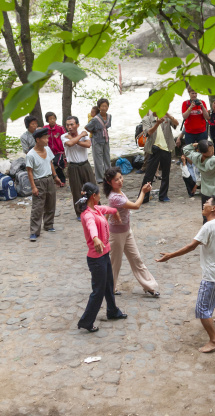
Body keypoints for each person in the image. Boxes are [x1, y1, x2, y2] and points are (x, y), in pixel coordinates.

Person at [156, 196, 215, 353]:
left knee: (202, 309)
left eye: (207, 203)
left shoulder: (208, 226)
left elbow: (191, 246)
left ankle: (214, 340)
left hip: (211, 274)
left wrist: (170, 255)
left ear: (213, 208)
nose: (204, 204)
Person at [76, 183, 127, 333]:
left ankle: (112, 311)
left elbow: (109, 209)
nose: (100, 197)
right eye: (98, 194)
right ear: (93, 196)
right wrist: (96, 238)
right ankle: (86, 321)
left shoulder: (96, 209)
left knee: (108, 284)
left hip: (103, 255)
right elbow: (91, 226)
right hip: (96, 259)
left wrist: (115, 212)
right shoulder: (87, 214)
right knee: (98, 291)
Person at [103, 167, 160, 297]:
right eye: (116, 180)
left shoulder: (118, 192)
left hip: (126, 231)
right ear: (109, 182)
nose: (120, 181)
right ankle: (110, 289)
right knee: (115, 263)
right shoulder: (115, 197)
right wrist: (143, 192)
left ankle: (149, 286)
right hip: (116, 235)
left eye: (120, 177)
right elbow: (136, 206)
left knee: (136, 259)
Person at [26, 126, 65, 240]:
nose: (47, 140)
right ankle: (34, 231)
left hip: (49, 180)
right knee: (37, 207)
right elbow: (30, 172)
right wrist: (33, 187)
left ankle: (48, 225)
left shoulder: (47, 149)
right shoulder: (31, 155)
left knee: (50, 203)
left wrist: (55, 176)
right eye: (45, 138)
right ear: (38, 139)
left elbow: (51, 163)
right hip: (39, 181)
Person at [140, 91, 178, 203]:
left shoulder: (165, 114)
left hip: (166, 147)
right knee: (149, 175)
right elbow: (148, 133)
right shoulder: (147, 117)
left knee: (166, 173)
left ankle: (163, 195)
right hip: (154, 148)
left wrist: (168, 115)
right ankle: (144, 197)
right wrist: (157, 123)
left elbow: (176, 124)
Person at [62, 116, 96, 218]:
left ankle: (96, 208)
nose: (69, 127)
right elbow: (70, 143)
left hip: (85, 164)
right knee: (76, 190)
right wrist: (80, 135)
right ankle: (80, 212)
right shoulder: (64, 136)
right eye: (68, 125)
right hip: (73, 166)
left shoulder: (83, 134)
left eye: (72, 124)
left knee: (92, 187)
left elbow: (88, 144)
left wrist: (75, 139)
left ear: (77, 125)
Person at [85, 98, 111, 184]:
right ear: (99, 107)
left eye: (106, 106)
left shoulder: (109, 117)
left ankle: (109, 176)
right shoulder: (95, 119)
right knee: (98, 160)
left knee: (107, 158)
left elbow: (107, 127)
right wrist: (95, 132)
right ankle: (100, 178)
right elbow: (87, 127)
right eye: (102, 106)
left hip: (106, 140)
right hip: (97, 140)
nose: (104, 108)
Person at [45, 112, 66, 183]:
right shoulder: (45, 128)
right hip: (49, 151)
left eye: (53, 118)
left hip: (59, 150)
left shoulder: (60, 128)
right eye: (50, 119)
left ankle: (61, 178)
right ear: (47, 120)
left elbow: (65, 137)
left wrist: (65, 150)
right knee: (51, 164)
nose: (52, 120)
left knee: (57, 163)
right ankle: (60, 180)